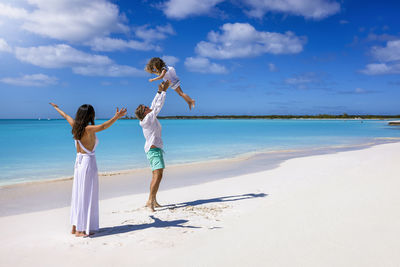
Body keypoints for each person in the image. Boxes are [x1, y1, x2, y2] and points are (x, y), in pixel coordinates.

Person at [49, 103, 127, 237]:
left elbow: (65, 115)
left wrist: (56, 108)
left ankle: (75, 227)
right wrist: (116, 117)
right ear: (90, 115)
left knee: (79, 194)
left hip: (78, 164)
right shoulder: (89, 128)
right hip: (88, 163)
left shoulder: (75, 127)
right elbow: (103, 126)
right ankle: (80, 230)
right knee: (86, 195)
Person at [134, 81, 170, 211]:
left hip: (154, 149)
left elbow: (154, 105)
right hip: (153, 150)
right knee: (157, 175)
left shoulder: (147, 118)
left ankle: (153, 199)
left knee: (156, 174)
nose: (148, 107)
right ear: (144, 113)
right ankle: (150, 200)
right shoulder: (148, 118)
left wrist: (159, 92)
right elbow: (157, 106)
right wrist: (164, 91)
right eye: (145, 108)